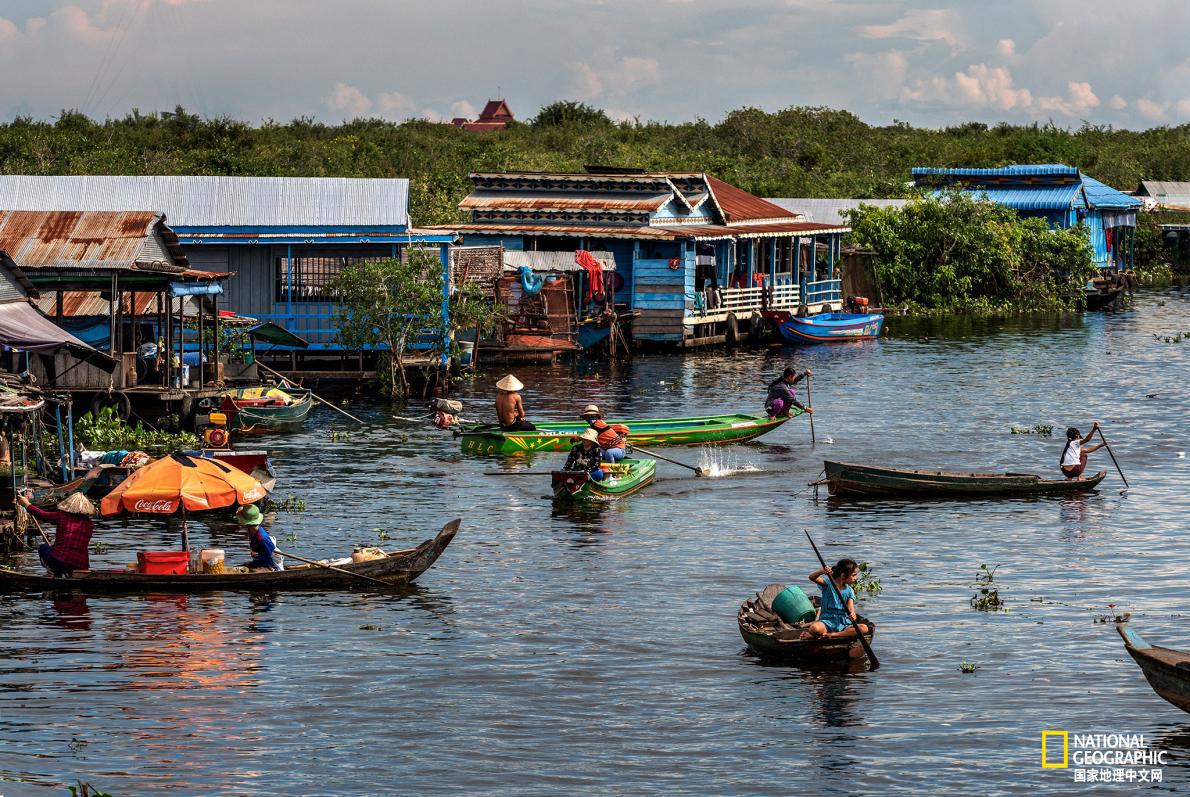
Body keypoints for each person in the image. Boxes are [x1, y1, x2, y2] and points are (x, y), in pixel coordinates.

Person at [17, 491, 95, 577]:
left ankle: (55, 572)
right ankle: (62, 573)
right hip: (81, 564)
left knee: (43, 548)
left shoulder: (62, 516)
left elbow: (42, 515)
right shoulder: (89, 523)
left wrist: (27, 504)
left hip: (60, 560)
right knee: (52, 550)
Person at [801, 558, 869, 641]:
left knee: (864, 628)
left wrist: (852, 614)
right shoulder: (828, 584)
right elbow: (812, 577)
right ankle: (820, 634)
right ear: (843, 575)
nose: (856, 578)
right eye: (853, 575)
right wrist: (822, 571)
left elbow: (850, 606)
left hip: (844, 624)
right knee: (814, 628)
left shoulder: (849, 591)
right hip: (827, 623)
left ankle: (833, 635)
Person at [236, 504, 284, 572]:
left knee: (251, 571)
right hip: (259, 561)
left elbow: (269, 558)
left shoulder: (263, 539)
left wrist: (257, 555)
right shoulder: (251, 530)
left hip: (270, 566)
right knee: (241, 568)